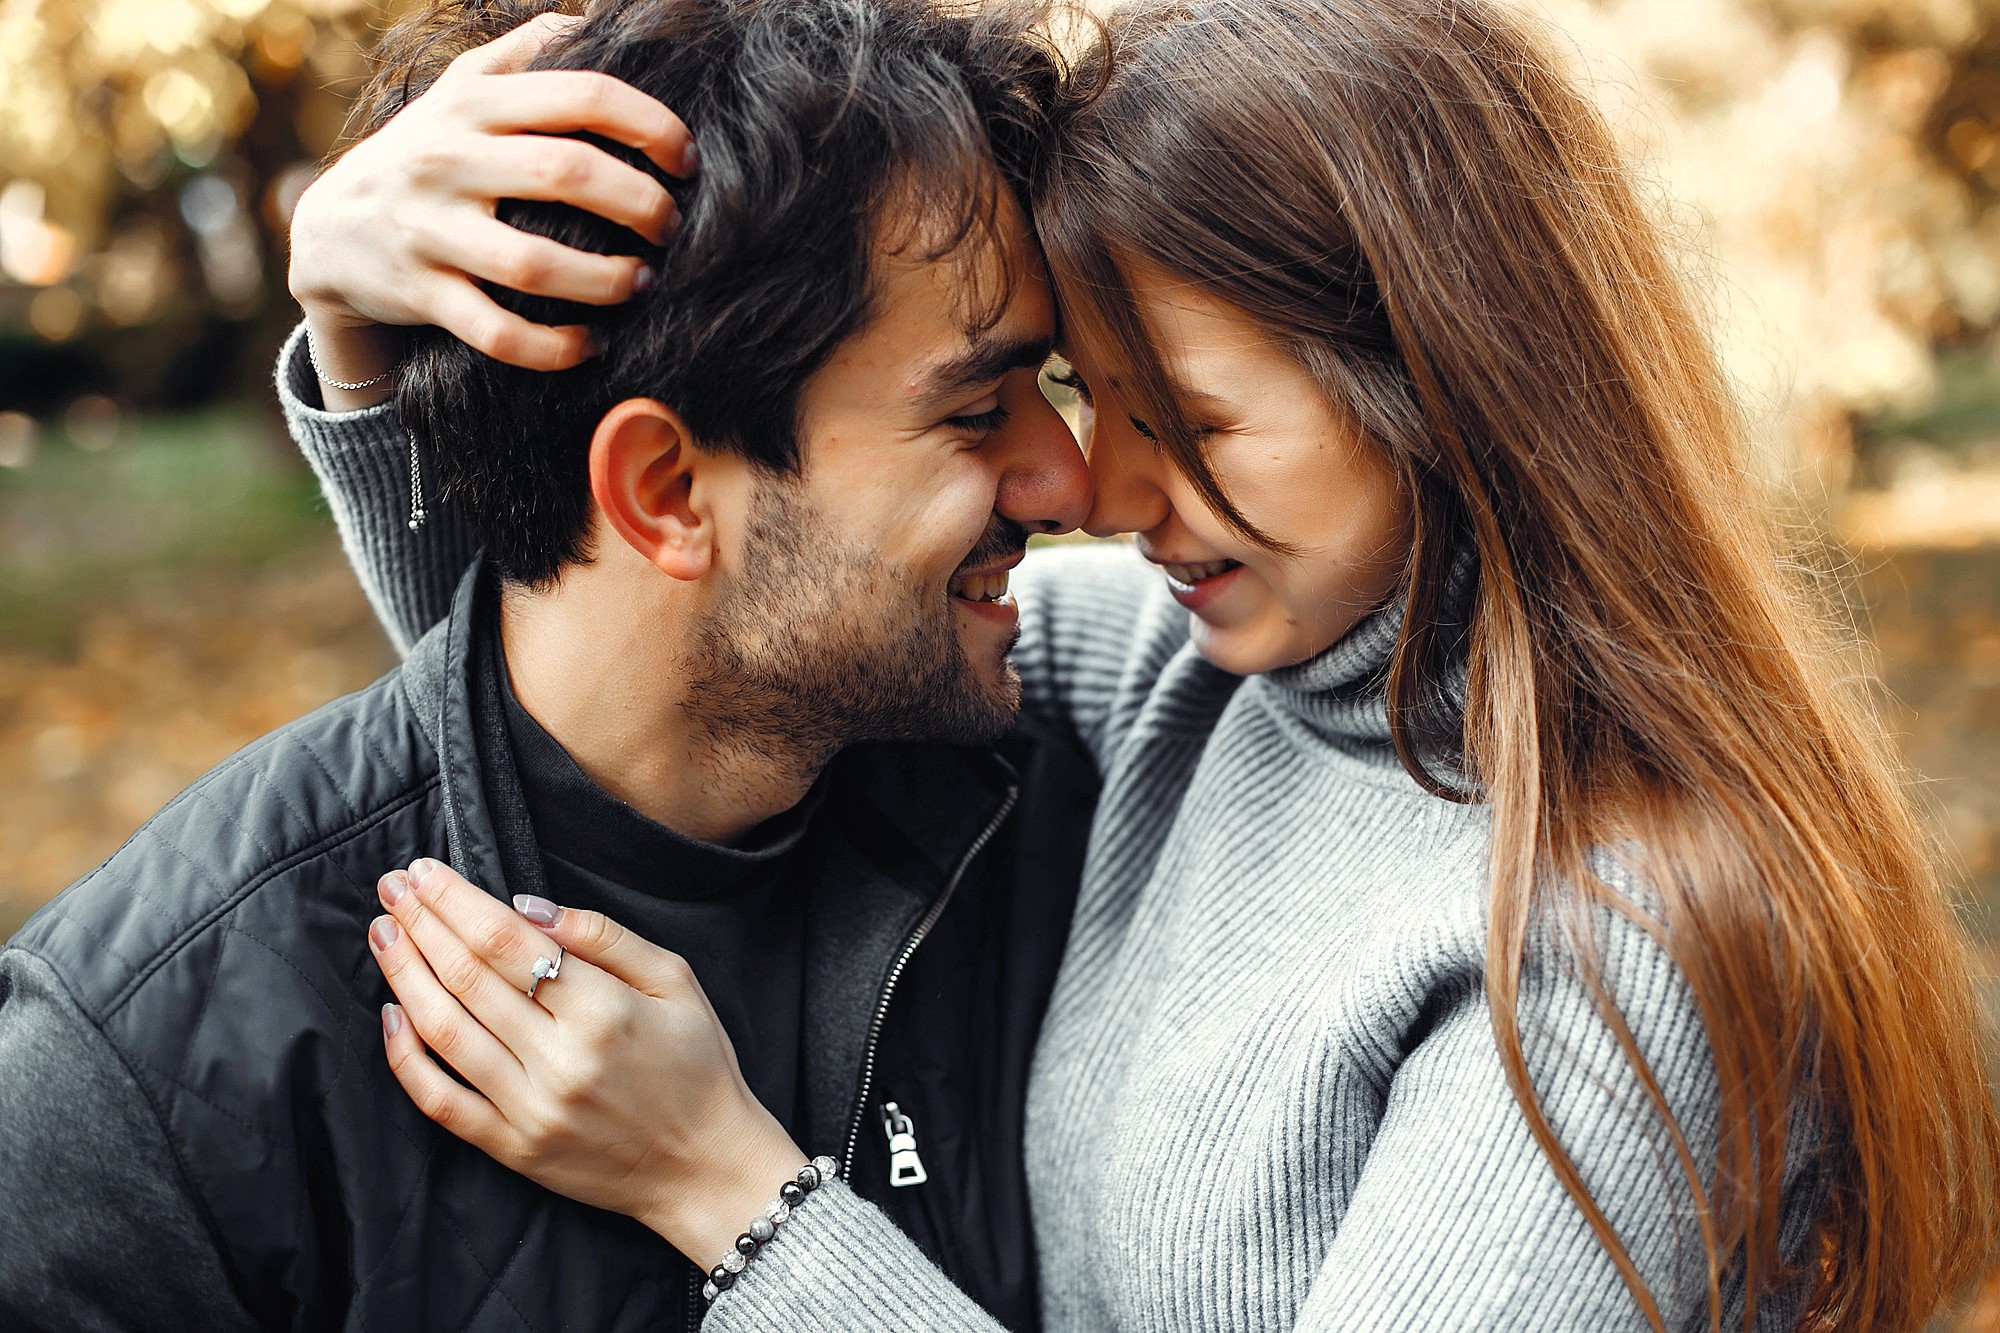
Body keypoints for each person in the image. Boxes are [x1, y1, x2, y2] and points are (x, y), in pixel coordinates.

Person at [301, 0, 2000, 1329]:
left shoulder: (1610, 948)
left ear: (1449, 388)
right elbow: (682, 663)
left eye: (1182, 420)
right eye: (1081, 395)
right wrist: (366, 334)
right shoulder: (1186, 681)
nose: (1101, 493)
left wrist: (736, 1199)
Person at [0, 2, 1105, 1329]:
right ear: (665, 491)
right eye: (978, 410)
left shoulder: (1054, 813)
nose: (1071, 478)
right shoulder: (148, 1065)